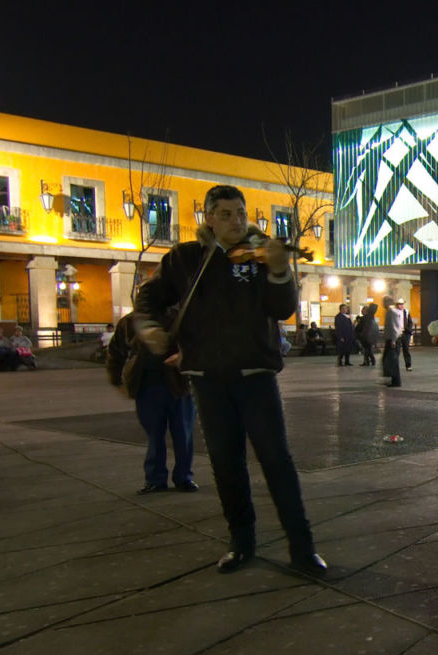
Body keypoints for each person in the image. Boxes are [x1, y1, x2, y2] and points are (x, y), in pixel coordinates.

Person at [134, 184, 327, 578]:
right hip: (207, 379)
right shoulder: (187, 258)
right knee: (226, 464)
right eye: (225, 214)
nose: (236, 221)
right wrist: (150, 327)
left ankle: (302, 547)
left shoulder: (259, 255)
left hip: (256, 376)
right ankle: (241, 542)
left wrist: (278, 270)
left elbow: (283, 308)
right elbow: (149, 297)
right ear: (207, 217)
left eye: (240, 212)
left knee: (277, 461)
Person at [105, 311, 197, 495]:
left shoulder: (181, 315)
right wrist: (116, 379)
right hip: (148, 386)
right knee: (157, 435)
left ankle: (181, 477)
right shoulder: (130, 322)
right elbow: (115, 351)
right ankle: (159, 478)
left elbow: (199, 343)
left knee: (182, 434)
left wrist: (184, 356)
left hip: (178, 385)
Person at [381, 295, 403, 387]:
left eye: (384, 302)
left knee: (392, 360)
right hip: (391, 339)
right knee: (388, 360)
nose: (382, 304)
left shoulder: (391, 312)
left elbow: (395, 327)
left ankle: (396, 381)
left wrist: (393, 340)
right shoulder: (391, 311)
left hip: (393, 340)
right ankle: (392, 378)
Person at [395, 299, 414, 371]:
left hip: (405, 333)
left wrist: (408, 330)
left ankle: (408, 365)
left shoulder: (406, 311)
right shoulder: (395, 313)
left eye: (402, 304)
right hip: (398, 333)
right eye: (400, 304)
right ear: (397, 305)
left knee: (406, 349)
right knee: (397, 350)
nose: (401, 306)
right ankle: (396, 366)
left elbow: (410, 322)